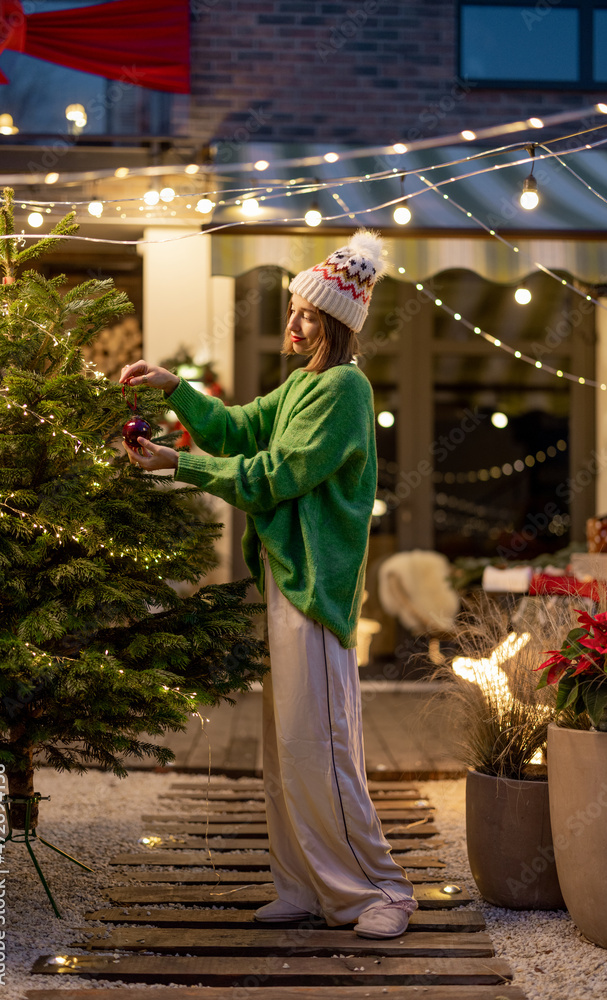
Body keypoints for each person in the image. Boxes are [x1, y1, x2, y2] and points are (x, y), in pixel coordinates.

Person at [119, 229, 418, 938]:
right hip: (288, 583)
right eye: (292, 309)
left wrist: (176, 465)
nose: (293, 323)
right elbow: (233, 431)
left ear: (337, 323)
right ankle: (308, 885)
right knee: (286, 746)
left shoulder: (344, 387)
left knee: (321, 745)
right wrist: (175, 390)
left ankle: (381, 892)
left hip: (316, 590)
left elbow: (275, 475)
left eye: (307, 314)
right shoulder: (299, 386)